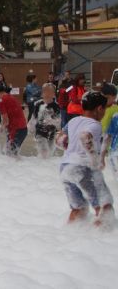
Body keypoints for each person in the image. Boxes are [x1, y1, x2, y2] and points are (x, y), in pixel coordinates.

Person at [60, 92, 114, 227]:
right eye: (104, 109)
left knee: (79, 209)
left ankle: (70, 235)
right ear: (99, 109)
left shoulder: (73, 121)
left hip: (65, 168)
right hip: (82, 167)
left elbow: (59, 139)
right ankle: (103, 238)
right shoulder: (95, 124)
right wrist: (94, 158)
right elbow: (85, 137)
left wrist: (68, 147)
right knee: (103, 206)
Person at [0, 81, 28, 157]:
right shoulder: (9, 97)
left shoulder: (1, 101)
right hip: (22, 129)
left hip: (16, 130)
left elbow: (6, 121)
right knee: (12, 154)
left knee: (11, 155)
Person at [29, 83, 60, 159]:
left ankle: (47, 166)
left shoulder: (56, 106)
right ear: (42, 93)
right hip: (40, 132)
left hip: (52, 132)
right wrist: (30, 127)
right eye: (45, 92)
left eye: (50, 92)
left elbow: (58, 120)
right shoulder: (38, 104)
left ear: (53, 94)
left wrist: (52, 121)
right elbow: (34, 117)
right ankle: (42, 166)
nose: (47, 94)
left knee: (50, 151)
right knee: (44, 151)